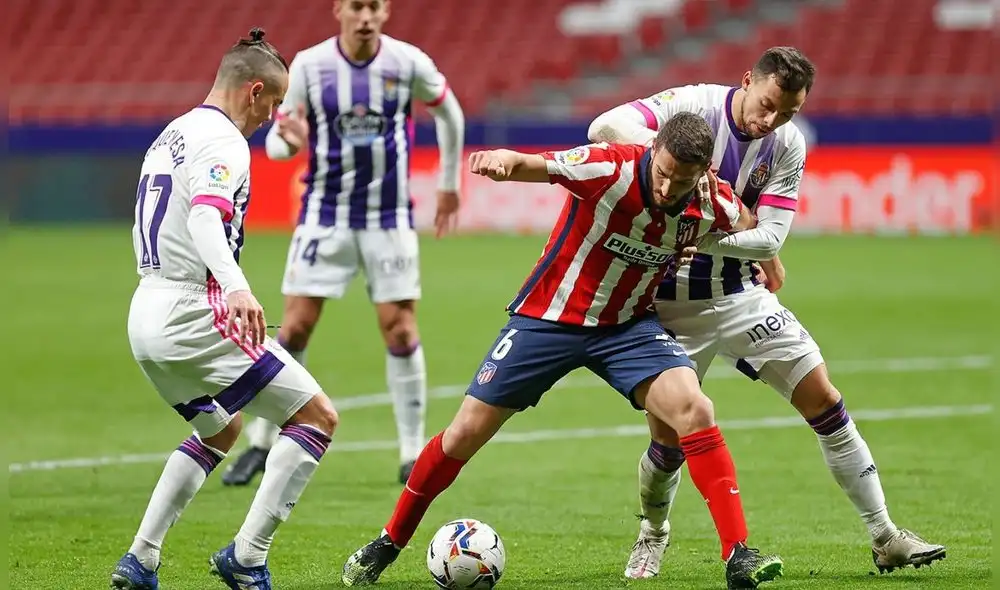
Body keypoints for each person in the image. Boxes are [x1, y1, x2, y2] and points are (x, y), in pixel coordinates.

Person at [341, 113, 785, 590]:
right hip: (549, 319)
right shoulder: (608, 169)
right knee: (464, 433)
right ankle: (389, 540)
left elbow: (750, 224)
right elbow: (536, 165)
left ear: (700, 174)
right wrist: (500, 161)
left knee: (695, 408)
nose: (667, 186)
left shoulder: (707, 197)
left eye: (681, 180)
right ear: (654, 150)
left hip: (628, 327)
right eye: (663, 172)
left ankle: (738, 554)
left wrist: (765, 259)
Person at [587, 46, 946, 579]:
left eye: (788, 112)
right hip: (667, 307)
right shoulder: (694, 105)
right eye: (769, 103)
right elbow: (604, 127)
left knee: (825, 400)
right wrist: (697, 174)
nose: (772, 119)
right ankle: (653, 534)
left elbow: (769, 239)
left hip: (739, 297)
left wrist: (702, 231)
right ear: (747, 81)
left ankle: (885, 536)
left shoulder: (787, 145)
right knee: (668, 442)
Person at [111, 28, 339, 590]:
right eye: (274, 102)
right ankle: (248, 558)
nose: (273, 115)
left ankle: (140, 558)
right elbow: (206, 218)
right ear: (254, 90)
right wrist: (236, 288)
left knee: (220, 428)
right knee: (316, 418)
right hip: (194, 310)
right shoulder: (225, 142)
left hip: (145, 312)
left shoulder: (172, 134)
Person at [222, 0, 465, 488]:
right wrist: (288, 142)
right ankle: (260, 444)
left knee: (399, 329)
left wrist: (448, 182)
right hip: (324, 215)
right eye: (357, 6)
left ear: (386, 10)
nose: (366, 16)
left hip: (388, 218)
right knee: (294, 327)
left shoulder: (406, 62)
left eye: (374, 6)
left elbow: (450, 114)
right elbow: (277, 143)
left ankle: (410, 450)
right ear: (339, 10)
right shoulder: (311, 66)